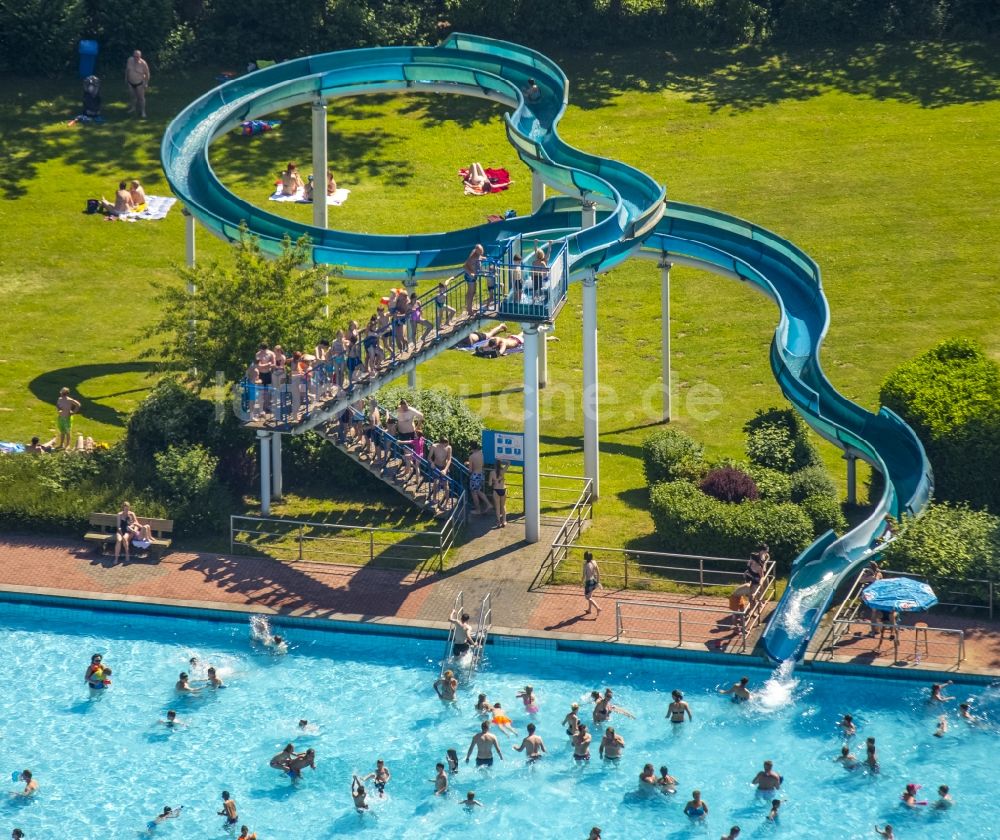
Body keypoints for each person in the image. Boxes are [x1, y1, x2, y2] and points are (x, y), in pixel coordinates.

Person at [466, 443, 491, 515]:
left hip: (475, 475)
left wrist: (468, 464)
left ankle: (478, 510)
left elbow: (470, 470)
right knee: (479, 491)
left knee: (474, 493)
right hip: (481, 474)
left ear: (471, 448)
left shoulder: (472, 457)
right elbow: (480, 464)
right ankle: (489, 504)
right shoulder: (481, 453)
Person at [125, 50, 150, 117]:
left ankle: (143, 112)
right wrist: (126, 78)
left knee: (141, 98)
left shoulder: (143, 63)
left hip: (139, 83)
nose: (136, 58)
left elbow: (147, 74)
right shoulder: (130, 60)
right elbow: (127, 70)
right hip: (130, 82)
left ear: (140, 57)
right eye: (135, 56)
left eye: (138, 57)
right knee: (132, 96)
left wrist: (146, 83)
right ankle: (133, 108)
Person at [463, 244, 485, 314]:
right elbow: (464, 266)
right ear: (476, 251)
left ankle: (469, 307)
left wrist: (482, 258)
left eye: (482, 250)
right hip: (470, 277)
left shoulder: (477, 254)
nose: (482, 252)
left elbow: (479, 257)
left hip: (474, 276)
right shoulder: (472, 257)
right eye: (480, 251)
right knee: (471, 292)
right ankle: (469, 310)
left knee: (473, 292)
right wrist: (470, 273)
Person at [489, 460, 508, 528]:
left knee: (497, 507)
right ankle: (504, 521)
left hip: (496, 490)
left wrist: (495, 481)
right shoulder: (503, 471)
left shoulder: (492, 472)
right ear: (500, 464)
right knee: (503, 506)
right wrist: (502, 461)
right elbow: (509, 463)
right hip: (503, 489)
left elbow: (490, 484)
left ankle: (498, 522)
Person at [583, 551, 602, 616]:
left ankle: (598, 608)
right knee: (590, 596)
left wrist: (580, 582)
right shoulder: (594, 562)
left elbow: (584, 575)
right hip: (594, 581)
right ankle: (589, 610)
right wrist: (598, 581)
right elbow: (598, 572)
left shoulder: (585, 565)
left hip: (589, 582)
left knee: (587, 597)